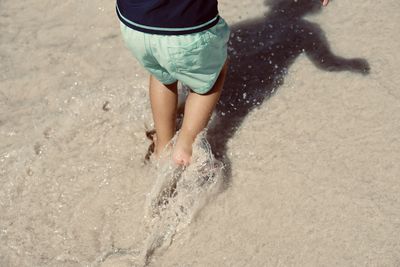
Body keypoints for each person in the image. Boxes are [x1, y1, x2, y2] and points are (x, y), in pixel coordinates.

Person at [116, 0, 329, 166]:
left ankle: (162, 144)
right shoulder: (306, 28)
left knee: (162, 75)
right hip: (186, 29)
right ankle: (186, 144)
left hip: (135, 26)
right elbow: (327, 62)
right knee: (211, 77)